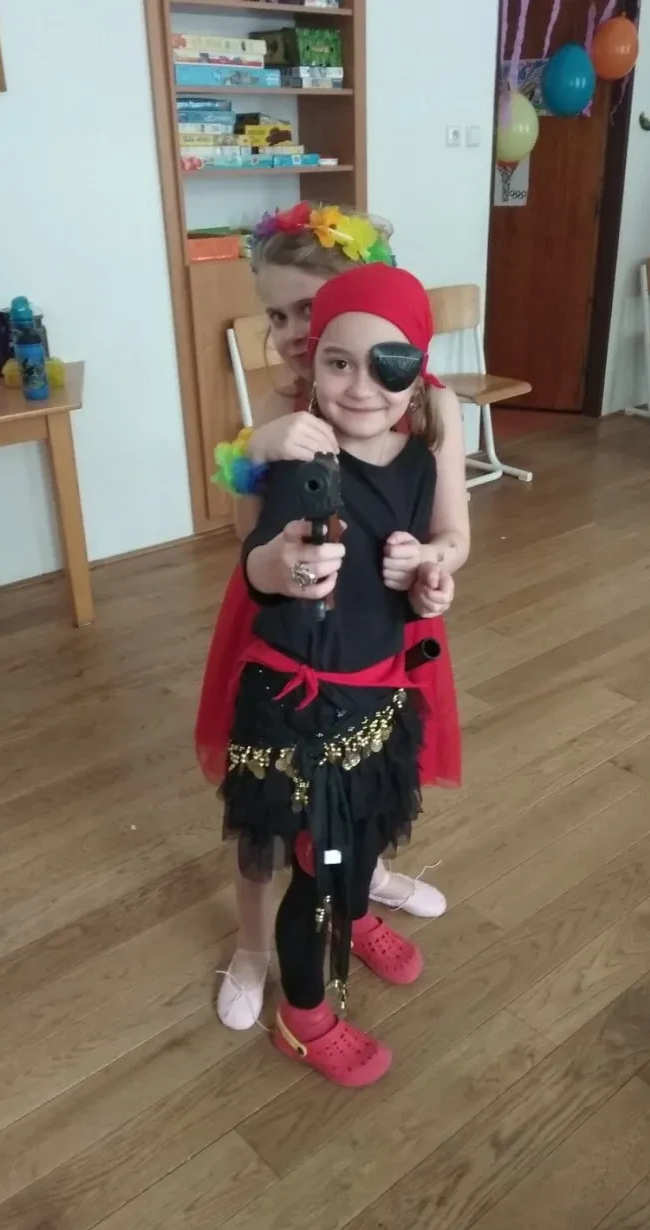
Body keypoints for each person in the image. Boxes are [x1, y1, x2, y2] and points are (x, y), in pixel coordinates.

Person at [196, 202, 469, 1031]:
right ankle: (252, 945)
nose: (288, 335)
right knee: (269, 804)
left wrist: (432, 562)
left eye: (304, 312)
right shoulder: (285, 406)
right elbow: (245, 537)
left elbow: (452, 532)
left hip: (384, 627)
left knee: (371, 773)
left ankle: (358, 890)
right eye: (274, 316)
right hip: (284, 625)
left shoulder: (429, 407)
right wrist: (256, 450)